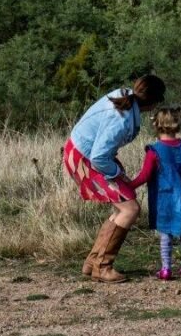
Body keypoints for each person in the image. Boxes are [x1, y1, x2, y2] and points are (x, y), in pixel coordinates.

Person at [63, 73, 167, 283]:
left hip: (83, 153)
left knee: (123, 206)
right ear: (153, 101)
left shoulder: (124, 96)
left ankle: (93, 262)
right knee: (130, 209)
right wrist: (117, 173)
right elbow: (99, 156)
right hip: (85, 158)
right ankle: (102, 266)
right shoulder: (122, 119)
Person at [130, 105, 181, 281]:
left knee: (166, 233)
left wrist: (129, 185)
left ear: (156, 125)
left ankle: (166, 268)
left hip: (165, 198)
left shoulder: (155, 151)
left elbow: (144, 176)